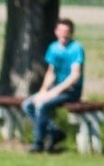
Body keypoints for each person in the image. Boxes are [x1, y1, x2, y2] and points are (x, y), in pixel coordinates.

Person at [22, 18, 85, 154]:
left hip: (70, 91)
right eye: (61, 31)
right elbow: (51, 72)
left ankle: (38, 143)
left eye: (67, 31)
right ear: (56, 32)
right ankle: (55, 131)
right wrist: (44, 90)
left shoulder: (76, 48)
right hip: (55, 89)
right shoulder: (53, 48)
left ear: (71, 33)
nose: (64, 34)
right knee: (28, 105)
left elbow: (75, 75)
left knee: (41, 105)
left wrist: (54, 91)